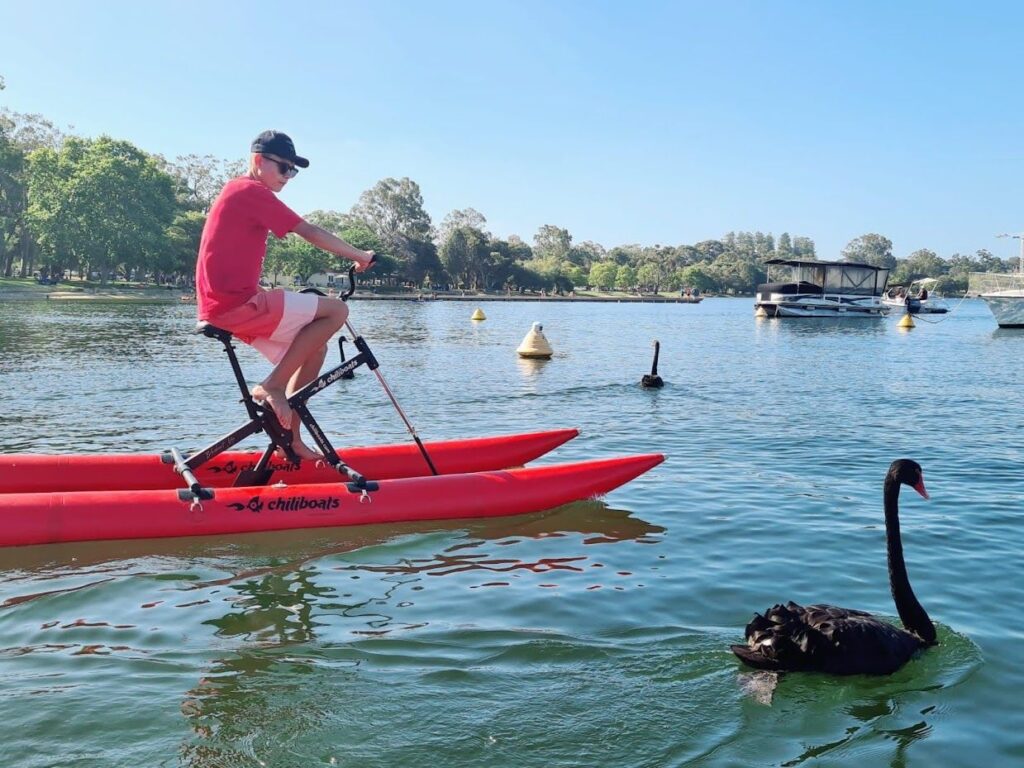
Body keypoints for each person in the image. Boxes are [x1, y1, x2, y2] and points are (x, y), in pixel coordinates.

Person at [195, 130, 375, 460]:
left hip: (227, 304)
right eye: (284, 168)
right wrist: (359, 255)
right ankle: (272, 386)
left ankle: (288, 440)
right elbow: (309, 231)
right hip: (235, 305)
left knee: (315, 349)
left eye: (294, 171)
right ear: (258, 161)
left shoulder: (239, 192)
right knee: (336, 312)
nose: (289, 177)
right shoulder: (250, 190)